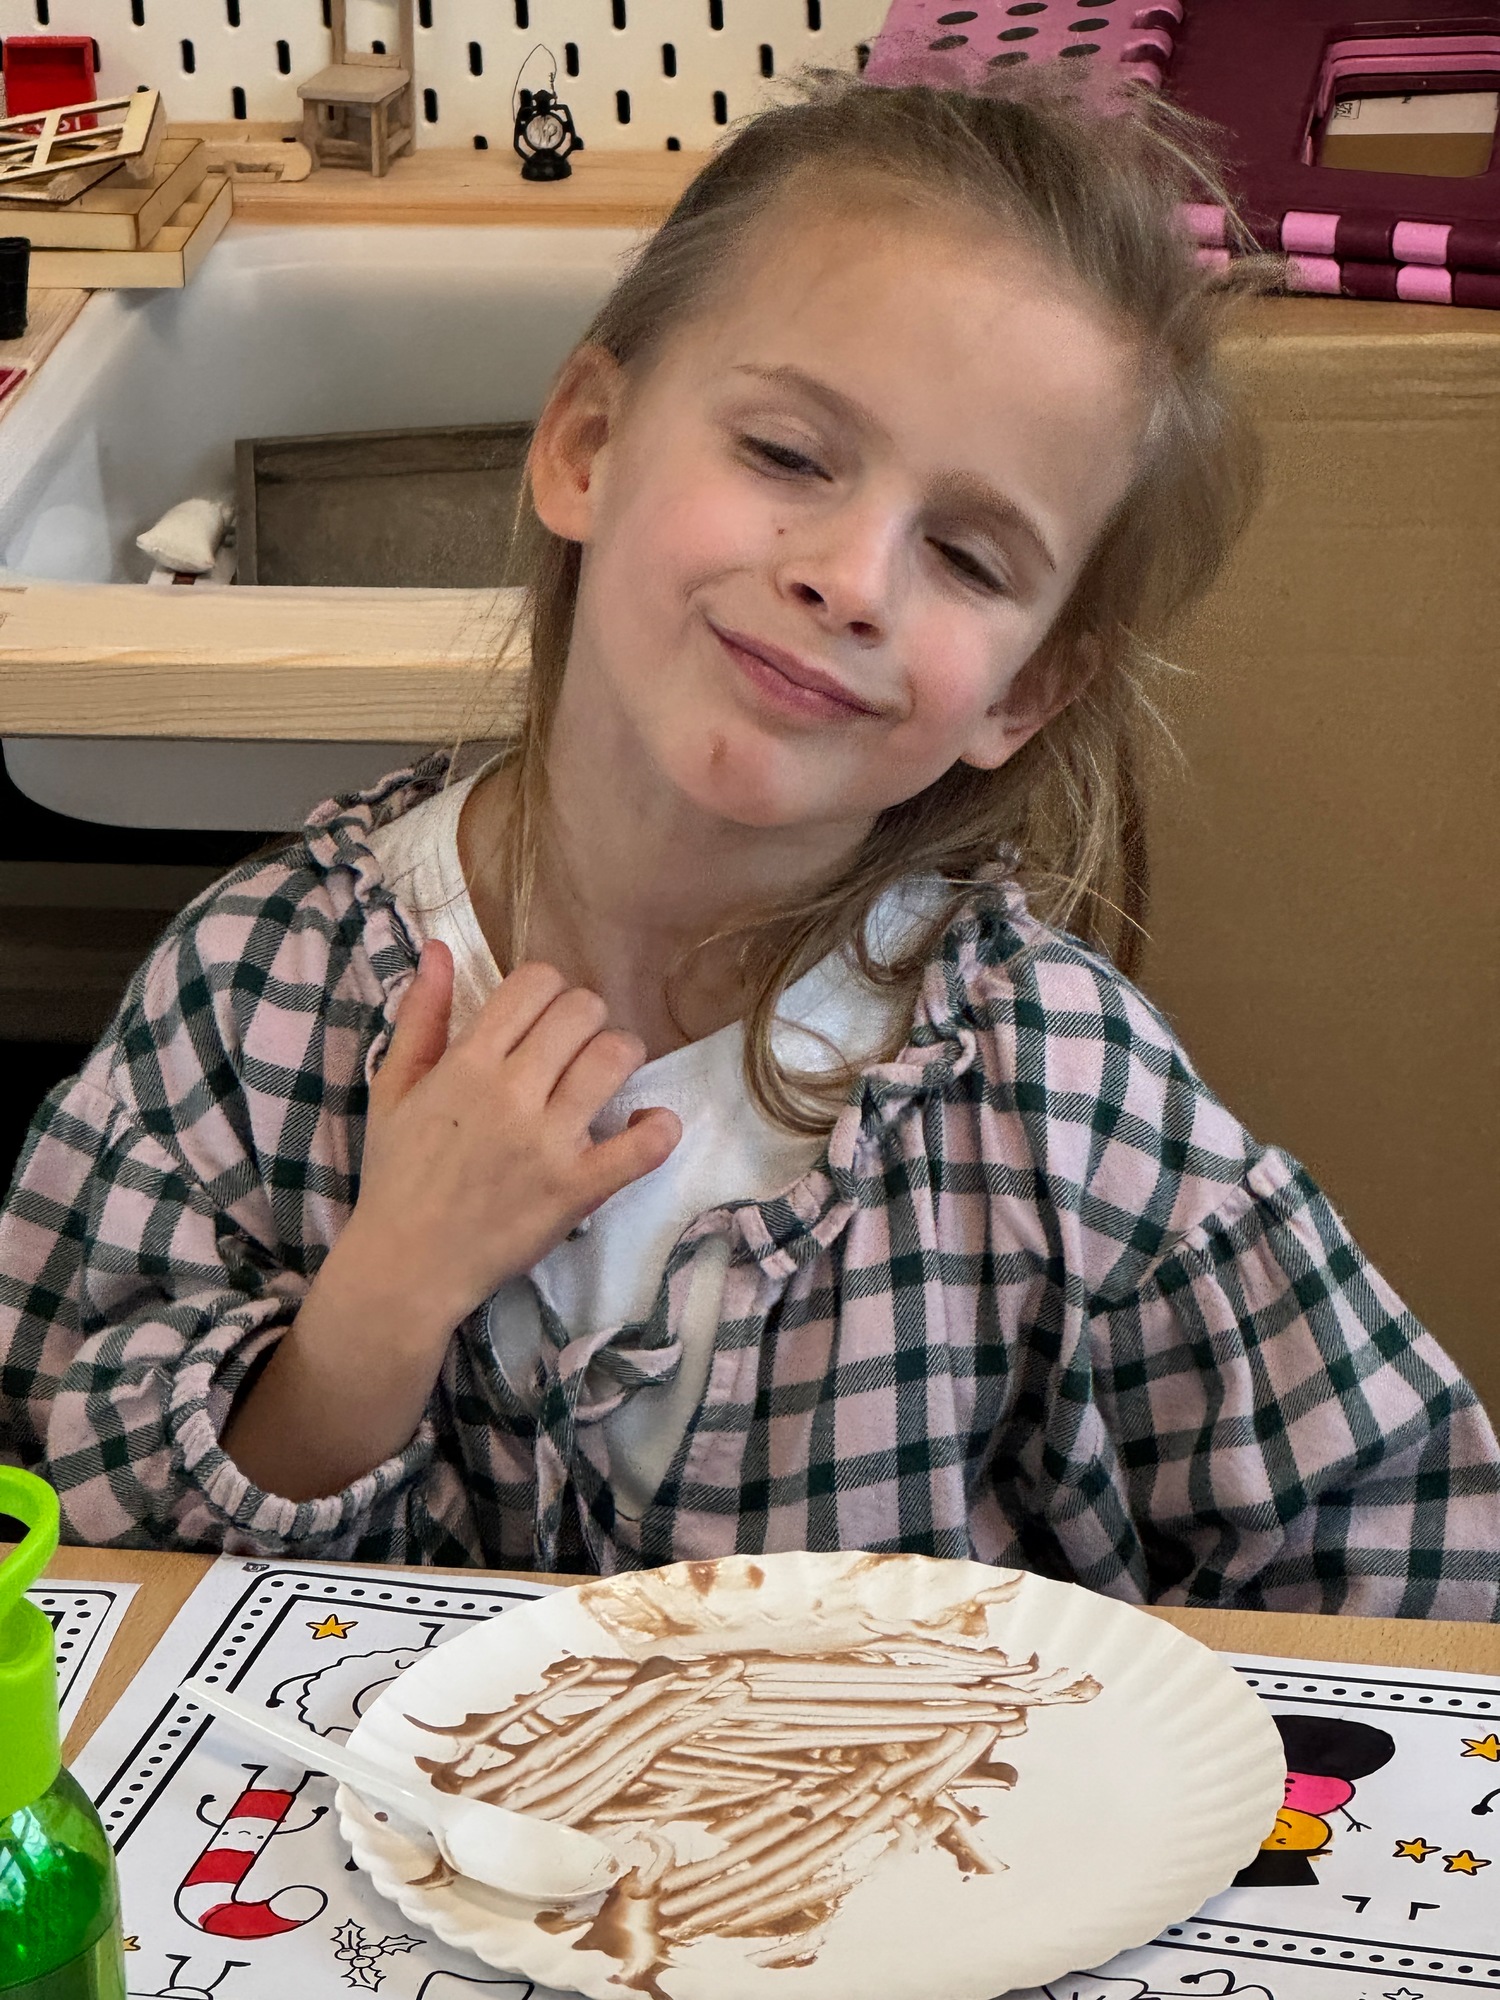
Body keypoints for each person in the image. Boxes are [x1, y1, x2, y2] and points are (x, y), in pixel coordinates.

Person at [0, 61, 1496, 1613]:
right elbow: (64, 1576)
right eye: (786, 455)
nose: (851, 577)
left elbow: (1419, 1548)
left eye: (968, 555)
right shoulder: (252, 1000)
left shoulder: (1052, 1092)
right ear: (587, 444)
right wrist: (378, 1310)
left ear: (1024, 692)